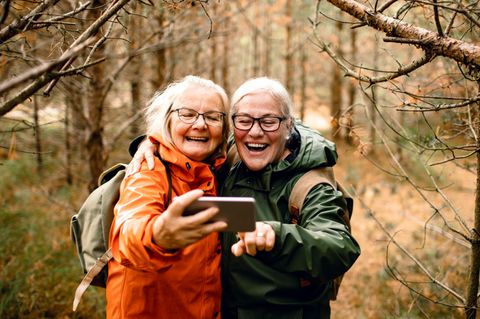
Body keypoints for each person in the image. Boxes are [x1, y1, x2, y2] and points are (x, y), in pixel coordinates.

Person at [130, 77, 361, 319]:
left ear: (288, 125)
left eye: (269, 122)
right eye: (244, 121)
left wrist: (278, 238)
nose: (255, 132)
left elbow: (339, 247)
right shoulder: (231, 155)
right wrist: (150, 143)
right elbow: (188, 132)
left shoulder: (311, 185)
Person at [106, 75, 230, 319]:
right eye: (188, 114)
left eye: (213, 117)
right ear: (167, 120)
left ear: (225, 128)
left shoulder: (217, 169)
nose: (200, 125)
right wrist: (157, 236)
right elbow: (128, 229)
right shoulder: (149, 170)